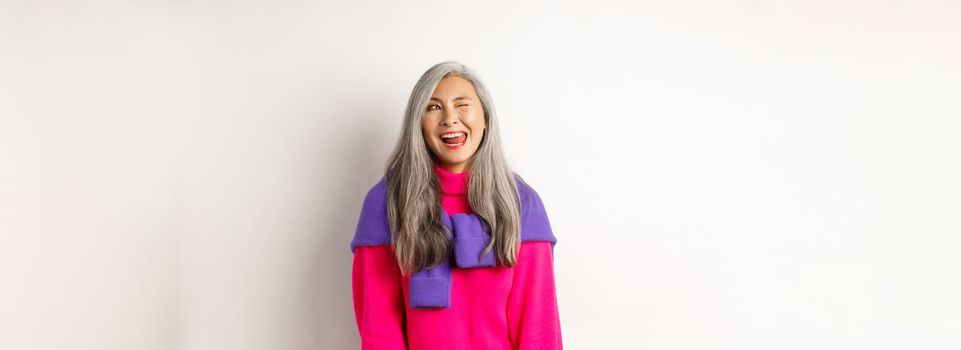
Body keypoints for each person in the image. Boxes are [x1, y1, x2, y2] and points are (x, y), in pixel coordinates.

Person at [350, 61, 562, 349]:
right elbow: (379, 330)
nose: (449, 118)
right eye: (434, 107)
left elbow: (538, 331)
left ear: (485, 117)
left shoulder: (522, 204)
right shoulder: (386, 203)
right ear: (418, 123)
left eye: (462, 105)